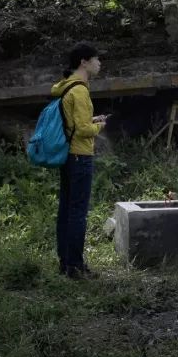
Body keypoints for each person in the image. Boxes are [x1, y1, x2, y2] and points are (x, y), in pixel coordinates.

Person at [52, 42, 109, 279]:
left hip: (68, 155)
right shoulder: (81, 90)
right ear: (84, 62)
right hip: (80, 156)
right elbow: (83, 129)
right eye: (96, 59)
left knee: (66, 209)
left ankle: (66, 262)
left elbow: (73, 122)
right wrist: (99, 125)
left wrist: (90, 120)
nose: (99, 63)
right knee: (78, 212)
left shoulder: (67, 88)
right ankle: (75, 265)